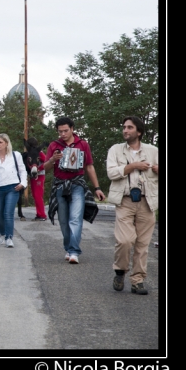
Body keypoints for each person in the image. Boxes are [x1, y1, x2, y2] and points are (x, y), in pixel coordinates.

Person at [107, 116, 159, 295]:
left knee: (142, 244)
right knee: (125, 240)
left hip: (147, 201)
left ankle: (138, 280)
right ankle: (120, 271)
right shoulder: (115, 150)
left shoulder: (153, 151)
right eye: (124, 127)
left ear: (139, 132)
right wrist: (133, 166)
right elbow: (112, 173)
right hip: (125, 200)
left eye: (129, 127)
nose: (125, 130)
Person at [44, 117, 105, 264]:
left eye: (66, 131)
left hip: (77, 184)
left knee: (75, 218)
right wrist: (53, 159)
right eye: (60, 131)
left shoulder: (82, 144)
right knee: (63, 220)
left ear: (72, 129)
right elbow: (44, 169)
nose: (63, 134)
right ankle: (69, 247)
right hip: (60, 185)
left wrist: (97, 188)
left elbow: (89, 166)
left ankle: (73, 251)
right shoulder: (54, 145)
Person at [0, 133, 27, 248]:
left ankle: (9, 237)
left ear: (6, 143)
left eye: (1, 142)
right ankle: (2, 233)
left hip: (12, 188)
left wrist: (23, 183)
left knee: (8, 213)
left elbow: (22, 170)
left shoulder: (15, 155)